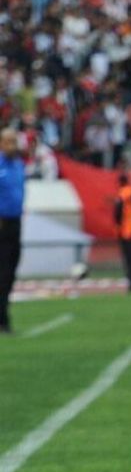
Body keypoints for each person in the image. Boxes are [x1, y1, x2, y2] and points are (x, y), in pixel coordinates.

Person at [0, 128, 25, 334]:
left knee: (9, 274)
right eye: (8, 141)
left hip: (15, 223)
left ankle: (4, 317)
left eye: (14, 141)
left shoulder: (18, 165)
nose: (12, 145)